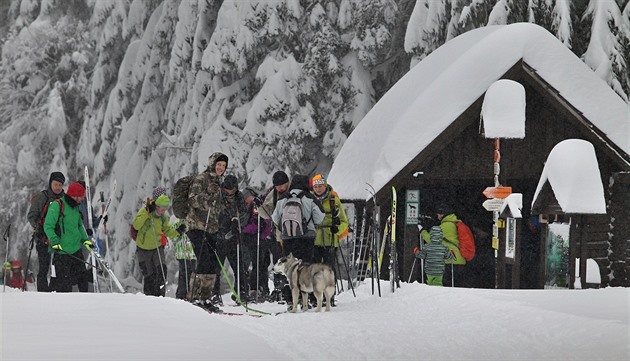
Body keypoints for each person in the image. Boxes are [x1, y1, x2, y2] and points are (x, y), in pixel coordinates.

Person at [272, 174, 325, 307]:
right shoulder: (310, 197)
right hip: (306, 238)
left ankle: (291, 298)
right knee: (306, 267)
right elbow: (320, 217)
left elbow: (274, 218)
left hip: (288, 238)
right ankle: (308, 298)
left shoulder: (283, 198)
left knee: (290, 268)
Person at [185, 152, 228, 311]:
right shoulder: (201, 179)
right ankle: (194, 298)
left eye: (223, 166)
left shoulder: (219, 182)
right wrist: (208, 193)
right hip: (197, 226)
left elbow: (218, 206)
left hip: (212, 228)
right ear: (212, 164)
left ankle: (205, 298)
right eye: (219, 164)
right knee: (203, 260)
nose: (221, 168)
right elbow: (193, 200)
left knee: (211, 264)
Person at [44, 182, 93, 292]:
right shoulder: (57, 205)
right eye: (81, 197)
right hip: (62, 253)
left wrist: (86, 241)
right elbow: (48, 226)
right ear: (74, 195)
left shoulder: (75, 208)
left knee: (83, 282)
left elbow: (79, 226)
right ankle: (65, 307)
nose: (82, 199)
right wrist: (54, 241)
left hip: (76, 251)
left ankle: (85, 305)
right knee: (64, 286)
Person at [132, 194, 183, 297]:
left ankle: (160, 296)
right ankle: (149, 297)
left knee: (161, 272)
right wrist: (147, 212)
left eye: (166, 209)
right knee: (148, 274)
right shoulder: (146, 212)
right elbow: (136, 225)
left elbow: (167, 230)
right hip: (143, 249)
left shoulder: (163, 218)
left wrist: (178, 232)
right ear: (157, 206)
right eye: (162, 209)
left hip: (157, 248)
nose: (164, 211)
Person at [311, 174, 349, 306]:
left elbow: (344, 221)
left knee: (329, 270)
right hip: (314, 241)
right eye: (315, 186)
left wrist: (336, 229)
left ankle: (329, 297)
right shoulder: (310, 200)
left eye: (320, 186)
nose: (318, 189)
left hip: (330, 240)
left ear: (325, 185)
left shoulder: (334, 200)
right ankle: (316, 297)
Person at [27, 171, 65, 292]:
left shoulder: (64, 199)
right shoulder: (42, 197)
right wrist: (39, 230)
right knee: (44, 266)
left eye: (60, 185)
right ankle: (43, 293)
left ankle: (56, 290)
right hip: (42, 238)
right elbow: (32, 215)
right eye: (55, 184)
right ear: (51, 184)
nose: (58, 187)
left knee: (58, 266)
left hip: (59, 238)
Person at [214, 175, 249, 302]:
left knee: (239, 266)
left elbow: (244, 213)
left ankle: (242, 292)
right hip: (219, 237)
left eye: (231, 189)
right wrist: (230, 219)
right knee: (216, 268)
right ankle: (215, 294)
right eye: (226, 189)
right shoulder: (219, 197)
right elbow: (217, 213)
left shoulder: (239, 197)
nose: (228, 192)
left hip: (234, 238)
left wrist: (238, 223)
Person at [258, 170, 290, 302]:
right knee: (278, 262)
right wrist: (262, 206)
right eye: (277, 186)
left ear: (287, 183)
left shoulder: (294, 191)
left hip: (294, 234)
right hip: (279, 234)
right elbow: (264, 212)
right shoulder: (274, 194)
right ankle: (279, 289)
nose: (280, 188)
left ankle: (289, 289)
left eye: (282, 186)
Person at [420, 204, 466, 286]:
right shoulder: (453, 223)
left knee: (446, 287)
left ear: (442, 214)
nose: (437, 215)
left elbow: (431, 239)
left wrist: (422, 231)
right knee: (456, 286)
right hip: (459, 259)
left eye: (438, 213)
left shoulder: (446, 225)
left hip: (450, 261)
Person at [241, 187, 272, 300]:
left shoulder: (258, 204)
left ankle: (263, 288)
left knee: (263, 263)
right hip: (252, 239)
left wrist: (262, 234)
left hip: (260, 239)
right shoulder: (245, 207)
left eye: (248, 197)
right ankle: (254, 288)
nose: (247, 200)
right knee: (256, 264)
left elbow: (265, 221)